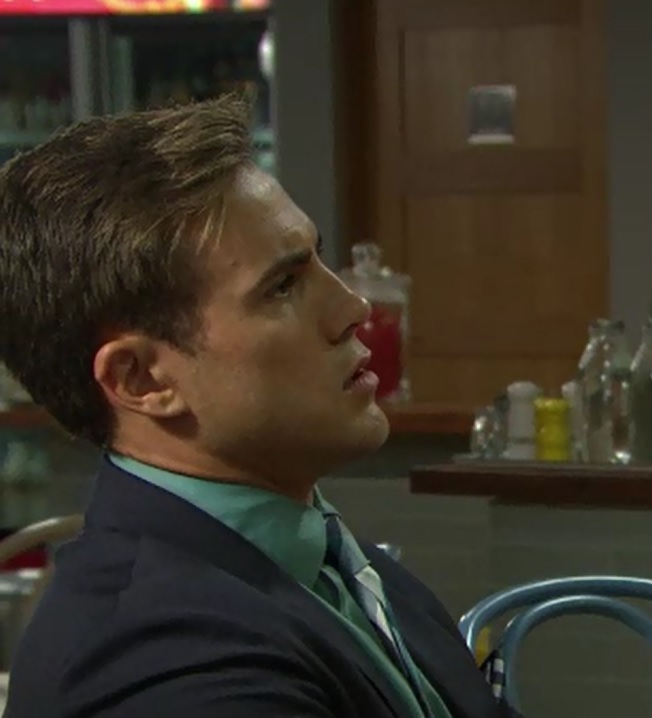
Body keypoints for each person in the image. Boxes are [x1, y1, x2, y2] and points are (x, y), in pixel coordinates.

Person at [0, 97, 516, 717]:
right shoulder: (162, 662)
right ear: (142, 378)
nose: (353, 308)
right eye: (283, 286)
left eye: (318, 259)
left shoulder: (331, 561)